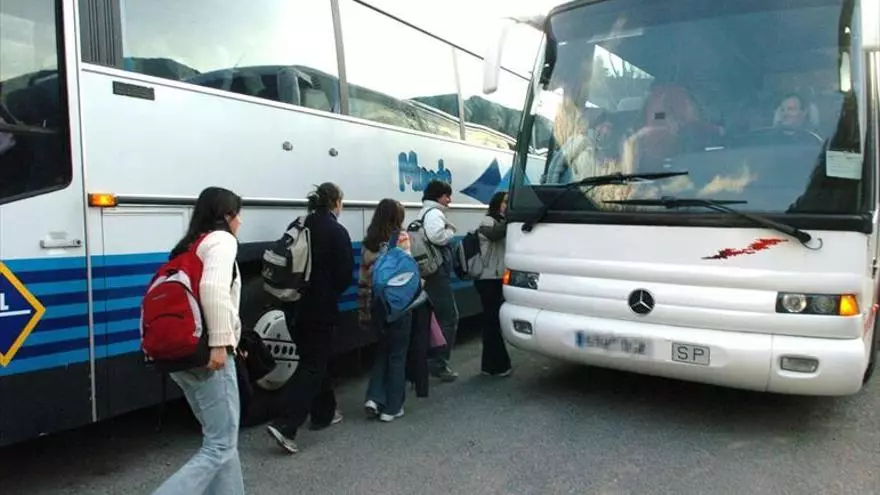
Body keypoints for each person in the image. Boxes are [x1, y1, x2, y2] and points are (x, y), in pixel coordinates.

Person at [152, 186, 245, 495]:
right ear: (227, 216)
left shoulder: (187, 246)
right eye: (238, 214)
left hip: (182, 355)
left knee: (221, 441)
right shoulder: (221, 240)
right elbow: (214, 290)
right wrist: (220, 344)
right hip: (208, 355)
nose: (241, 222)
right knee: (220, 445)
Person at [267, 183, 354, 454]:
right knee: (313, 365)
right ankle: (286, 425)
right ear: (336, 202)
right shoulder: (336, 231)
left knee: (313, 359)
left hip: (292, 304)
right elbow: (344, 275)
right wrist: (329, 292)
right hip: (319, 308)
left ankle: (324, 413)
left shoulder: (299, 224)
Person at [359, 199, 415, 421]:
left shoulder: (368, 243)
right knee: (397, 355)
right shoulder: (401, 238)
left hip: (376, 304)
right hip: (397, 304)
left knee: (383, 349)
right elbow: (407, 273)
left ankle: (374, 397)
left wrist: (364, 312)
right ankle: (392, 408)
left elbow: (363, 280)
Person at [418, 180, 460, 382]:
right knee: (449, 317)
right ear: (438, 196)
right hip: (437, 272)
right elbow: (437, 237)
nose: (449, 200)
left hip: (430, 272)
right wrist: (451, 231)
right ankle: (439, 363)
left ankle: (427, 361)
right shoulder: (434, 213)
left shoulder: (423, 212)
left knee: (432, 319)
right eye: (446, 196)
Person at [475, 191, 512, 377]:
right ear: (497, 203)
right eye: (506, 202)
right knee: (492, 322)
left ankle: (490, 365)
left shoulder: (500, 221)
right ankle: (498, 365)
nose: (507, 205)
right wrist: (512, 219)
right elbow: (495, 234)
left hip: (495, 277)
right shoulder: (488, 221)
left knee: (491, 322)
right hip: (487, 278)